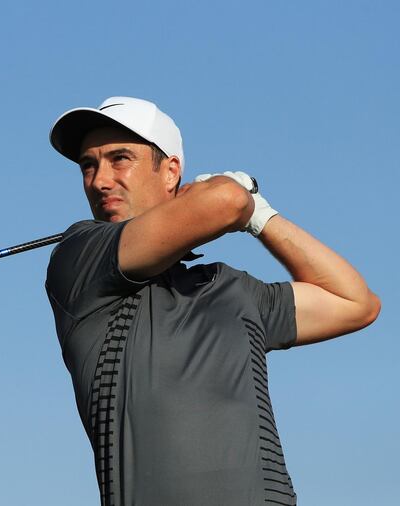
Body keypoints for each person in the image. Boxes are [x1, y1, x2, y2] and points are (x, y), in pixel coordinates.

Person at [45, 96, 381, 505]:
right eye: (88, 165)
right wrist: (232, 197)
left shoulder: (232, 289)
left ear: (170, 171)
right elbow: (224, 202)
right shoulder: (80, 257)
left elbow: (355, 302)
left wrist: (261, 216)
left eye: (120, 159)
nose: (99, 180)